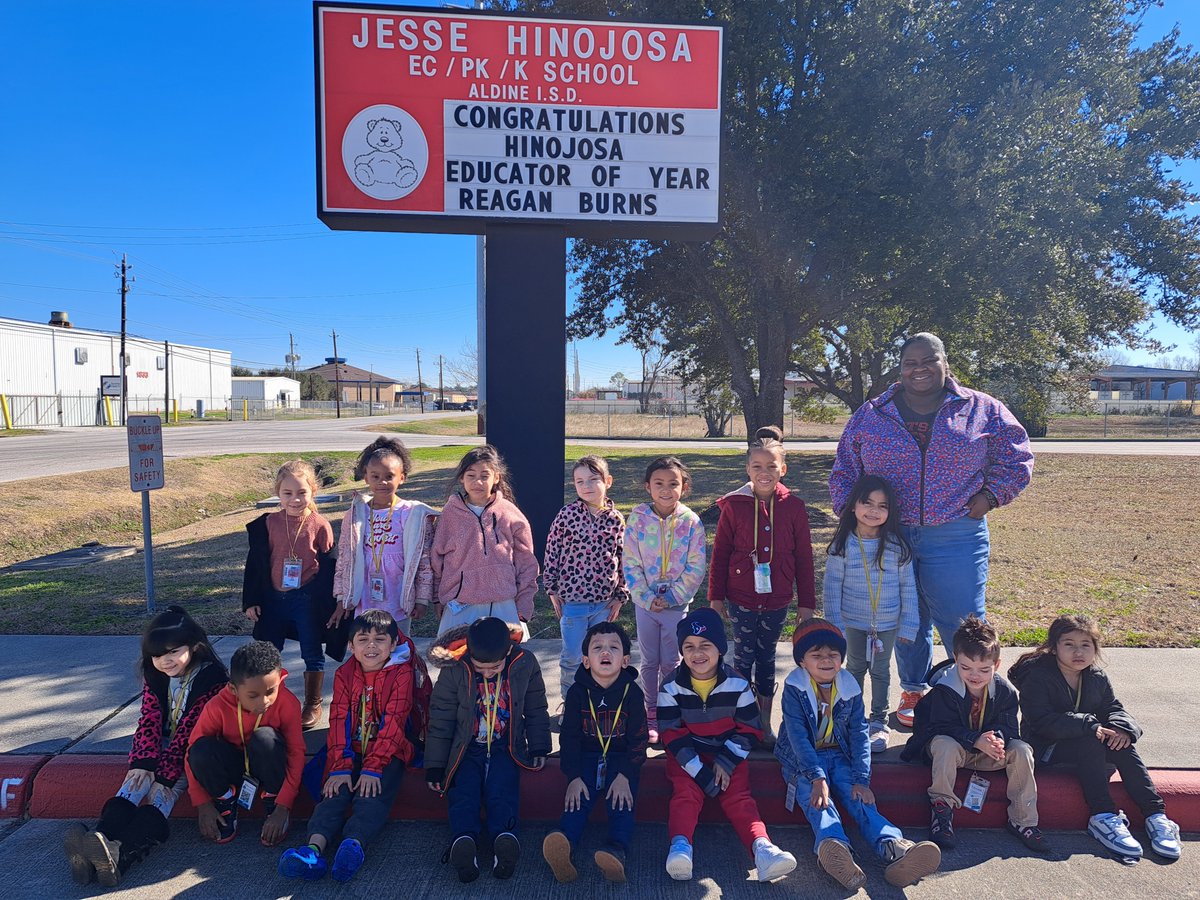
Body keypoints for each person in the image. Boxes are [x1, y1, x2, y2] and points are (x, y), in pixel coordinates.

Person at [830, 332, 1034, 728]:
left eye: (928, 361)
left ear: (945, 363)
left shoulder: (982, 409)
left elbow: (1018, 456)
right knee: (907, 616)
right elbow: (844, 470)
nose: (918, 369)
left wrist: (991, 496)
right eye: (910, 362)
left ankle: (976, 695)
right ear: (900, 368)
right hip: (891, 535)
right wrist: (852, 520)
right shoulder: (874, 413)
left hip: (955, 532)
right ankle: (913, 690)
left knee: (964, 618)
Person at [63, 606, 228, 887]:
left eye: (173, 652)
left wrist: (164, 773)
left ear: (195, 645)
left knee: (161, 793)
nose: (165, 661)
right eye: (157, 656)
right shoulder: (156, 676)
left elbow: (192, 729)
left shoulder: (211, 679)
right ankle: (99, 840)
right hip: (164, 746)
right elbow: (149, 719)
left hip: (192, 751)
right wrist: (143, 762)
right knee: (134, 782)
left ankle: (121, 856)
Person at [777, 618, 941, 889]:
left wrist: (862, 780)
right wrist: (817, 778)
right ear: (802, 661)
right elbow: (797, 738)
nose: (826, 660)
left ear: (842, 658)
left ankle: (894, 847)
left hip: (839, 755)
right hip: (803, 761)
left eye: (833, 655)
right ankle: (835, 849)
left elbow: (858, 735)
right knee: (820, 803)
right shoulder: (795, 689)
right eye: (816, 655)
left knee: (859, 800)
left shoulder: (849, 687)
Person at [1008, 615, 1182, 861]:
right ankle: (1103, 816)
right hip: (1045, 747)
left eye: (1085, 645)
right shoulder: (1038, 676)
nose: (1077, 651)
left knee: (1121, 742)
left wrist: (1122, 728)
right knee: (1092, 739)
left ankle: (1156, 815)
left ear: (1095, 649)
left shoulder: (1096, 677)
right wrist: (1090, 725)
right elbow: (1041, 722)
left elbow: (1113, 707)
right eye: (1069, 644)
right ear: (1054, 647)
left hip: (1087, 744)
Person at [278, 610, 422, 883]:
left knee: (372, 794)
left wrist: (373, 767)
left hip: (389, 751)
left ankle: (353, 845)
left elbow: (394, 722)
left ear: (393, 645)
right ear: (350, 645)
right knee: (334, 792)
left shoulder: (401, 674)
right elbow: (339, 718)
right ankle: (312, 850)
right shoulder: (345, 674)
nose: (371, 646)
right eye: (363, 639)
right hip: (350, 748)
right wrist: (340, 766)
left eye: (380, 640)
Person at [658, 607, 796, 883]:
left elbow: (749, 728)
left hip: (727, 752)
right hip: (688, 754)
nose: (697, 653)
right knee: (685, 794)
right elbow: (670, 733)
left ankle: (762, 849)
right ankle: (681, 847)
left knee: (739, 798)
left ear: (720, 649)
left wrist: (727, 761)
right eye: (689, 646)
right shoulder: (671, 686)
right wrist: (699, 771)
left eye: (705, 646)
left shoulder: (737, 683)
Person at [901, 617, 1047, 853]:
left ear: (996, 665)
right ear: (956, 660)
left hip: (986, 752)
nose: (975, 675)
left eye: (984, 669)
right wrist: (974, 739)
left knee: (1021, 749)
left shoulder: (1005, 692)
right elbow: (935, 728)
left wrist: (997, 739)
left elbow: (1010, 728)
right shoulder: (944, 690)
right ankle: (942, 810)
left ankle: (1023, 820)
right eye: (966, 667)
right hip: (953, 751)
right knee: (944, 745)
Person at [709, 426, 816, 748]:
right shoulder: (734, 505)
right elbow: (721, 553)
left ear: (783, 469)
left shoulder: (794, 507)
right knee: (742, 659)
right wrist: (715, 598)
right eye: (757, 466)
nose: (764, 472)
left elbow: (804, 558)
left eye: (772, 466)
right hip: (740, 597)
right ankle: (742, 724)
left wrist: (806, 603)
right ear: (747, 469)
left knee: (767, 659)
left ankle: (765, 724)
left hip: (777, 598)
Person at [425, 617, 551, 883]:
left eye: (494, 666)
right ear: (469, 654)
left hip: (506, 746)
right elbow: (441, 717)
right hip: (467, 747)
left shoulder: (524, 664)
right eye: (480, 667)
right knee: (463, 792)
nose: (487, 672)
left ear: (508, 651)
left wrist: (539, 744)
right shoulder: (455, 669)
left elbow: (536, 707)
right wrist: (435, 765)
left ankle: (504, 841)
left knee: (503, 790)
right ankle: (464, 841)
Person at [542, 622, 648, 884]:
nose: (605, 652)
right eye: (598, 647)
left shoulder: (632, 692)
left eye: (613, 647)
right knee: (577, 801)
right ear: (586, 660)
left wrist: (626, 773)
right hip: (587, 759)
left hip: (621, 760)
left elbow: (639, 739)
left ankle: (616, 850)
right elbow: (568, 738)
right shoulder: (577, 692)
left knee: (621, 802)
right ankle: (564, 844)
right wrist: (573, 776)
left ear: (624, 660)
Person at [243, 459, 344, 729]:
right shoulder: (268, 523)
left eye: (302, 492)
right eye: (288, 493)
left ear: (312, 491)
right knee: (269, 650)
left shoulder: (320, 524)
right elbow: (255, 564)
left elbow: (331, 568)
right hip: (273, 599)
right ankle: (270, 701)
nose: (295, 499)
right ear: (278, 494)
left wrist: (334, 604)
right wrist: (251, 600)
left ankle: (312, 702)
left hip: (306, 599)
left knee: (311, 649)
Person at [823, 474, 919, 753]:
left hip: (887, 625)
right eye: (867, 503)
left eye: (882, 505)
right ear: (853, 506)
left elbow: (908, 588)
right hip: (852, 623)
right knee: (853, 669)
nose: (874, 511)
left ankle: (878, 722)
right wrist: (836, 627)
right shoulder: (842, 546)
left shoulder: (897, 547)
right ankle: (852, 718)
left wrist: (908, 626)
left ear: (890, 512)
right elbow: (831, 590)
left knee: (880, 671)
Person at [185, 641, 304, 848]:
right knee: (201, 749)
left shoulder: (287, 703)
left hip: (267, 766)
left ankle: (272, 800)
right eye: (253, 695)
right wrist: (202, 803)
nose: (264, 701)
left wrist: (283, 806)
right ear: (233, 689)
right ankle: (224, 800)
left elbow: (296, 752)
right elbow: (192, 752)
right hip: (234, 767)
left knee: (265, 738)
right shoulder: (216, 706)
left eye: (270, 691)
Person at [623, 456, 706, 744]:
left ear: (684, 487)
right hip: (645, 605)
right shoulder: (636, 518)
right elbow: (630, 562)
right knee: (649, 660)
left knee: (672, 660)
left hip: (676, 606)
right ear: (648, 487)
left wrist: (672, 596)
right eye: (659, 483)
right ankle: (651, 712)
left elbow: (696, 565)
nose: (666, 489)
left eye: (674, 484)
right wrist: (645, 597)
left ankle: (672, 710)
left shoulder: (692, 522)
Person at [542, 455, 629, 713]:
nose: (587, 486)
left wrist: (621, 594)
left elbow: (624, 558)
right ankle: (571, 707)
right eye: (580, 481)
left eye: (593, 479)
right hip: (574, 603)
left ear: (608, 482)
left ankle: (599, 705)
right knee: (572, 657)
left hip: (604, 602)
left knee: (602, 656)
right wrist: (551, 587)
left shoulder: (616, 520)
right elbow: (552, 551)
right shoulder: (567, 515)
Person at [332, 437, 437, 637]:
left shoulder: (412, 514)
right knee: (368, 646)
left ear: (402, 477)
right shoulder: (356, 513)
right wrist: (341, 597)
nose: (383, 482)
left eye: (390, 476)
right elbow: (345, 557)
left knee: (398, 649)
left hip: (399, 597)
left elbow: (424, 561)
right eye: (376, 476)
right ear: (366, 478)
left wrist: (422, 600)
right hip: (365, 597)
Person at [431, 446, 539, 636]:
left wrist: (524, 601)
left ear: (496, 477)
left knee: (501, 661)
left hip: (503, 604)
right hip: (460, 604)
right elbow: (437, 559)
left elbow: (526, 561)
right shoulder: (450, 514)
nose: (477, 482)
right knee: (457, 660)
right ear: (461, 478)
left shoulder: (509, 512)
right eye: (471, 475)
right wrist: (438, 598)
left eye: (484, 475)